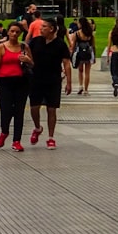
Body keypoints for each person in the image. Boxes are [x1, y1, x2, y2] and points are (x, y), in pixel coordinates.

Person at [28, 17, 72, 148]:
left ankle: (51, 137)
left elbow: (66, 64)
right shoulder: (35, 42)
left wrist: (69, 82)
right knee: (34, 107)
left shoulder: (60, 44)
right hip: (36, 79)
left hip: (53, 80)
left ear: (52, 29)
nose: (41, 29)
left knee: (51, 109)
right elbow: (27, 55)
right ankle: (37, 128)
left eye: (44, 27)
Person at [0, 22, 33, 151]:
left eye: (17, 32)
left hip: (21, 82)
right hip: (5, 83)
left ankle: (17, 140)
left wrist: (28, 60)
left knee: (19, 112)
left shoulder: (24, 47)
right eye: (12, 31)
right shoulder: (1, 48)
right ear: (8, 32)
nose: (14, 34)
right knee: (6, 110)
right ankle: (4, 131)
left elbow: (32, 64)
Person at [70, 17, 96, 94]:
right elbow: (93, 45)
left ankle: (80, 86)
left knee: (80, 71)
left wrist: (72, 54)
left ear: (81, 24)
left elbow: (73, 45)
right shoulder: (90, 33)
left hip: (80, 53)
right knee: (87, 72)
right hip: (88, 53)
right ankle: (86, 89)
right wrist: (93, 55)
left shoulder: (77, 33)